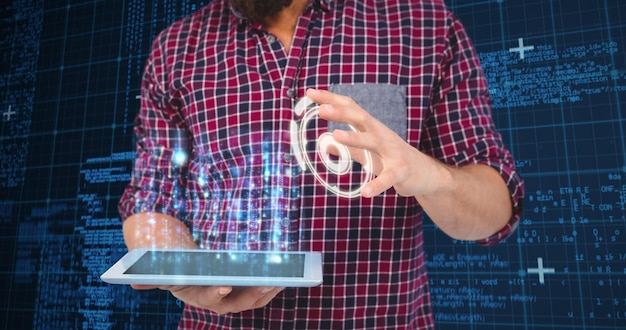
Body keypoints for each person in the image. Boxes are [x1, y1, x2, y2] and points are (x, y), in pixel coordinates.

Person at [118, 0, 525, 328]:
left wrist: (427, 175)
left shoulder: (423, 23)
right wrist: (180, 272)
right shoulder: (175, 48)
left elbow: (496, 208)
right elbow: (153, 198)